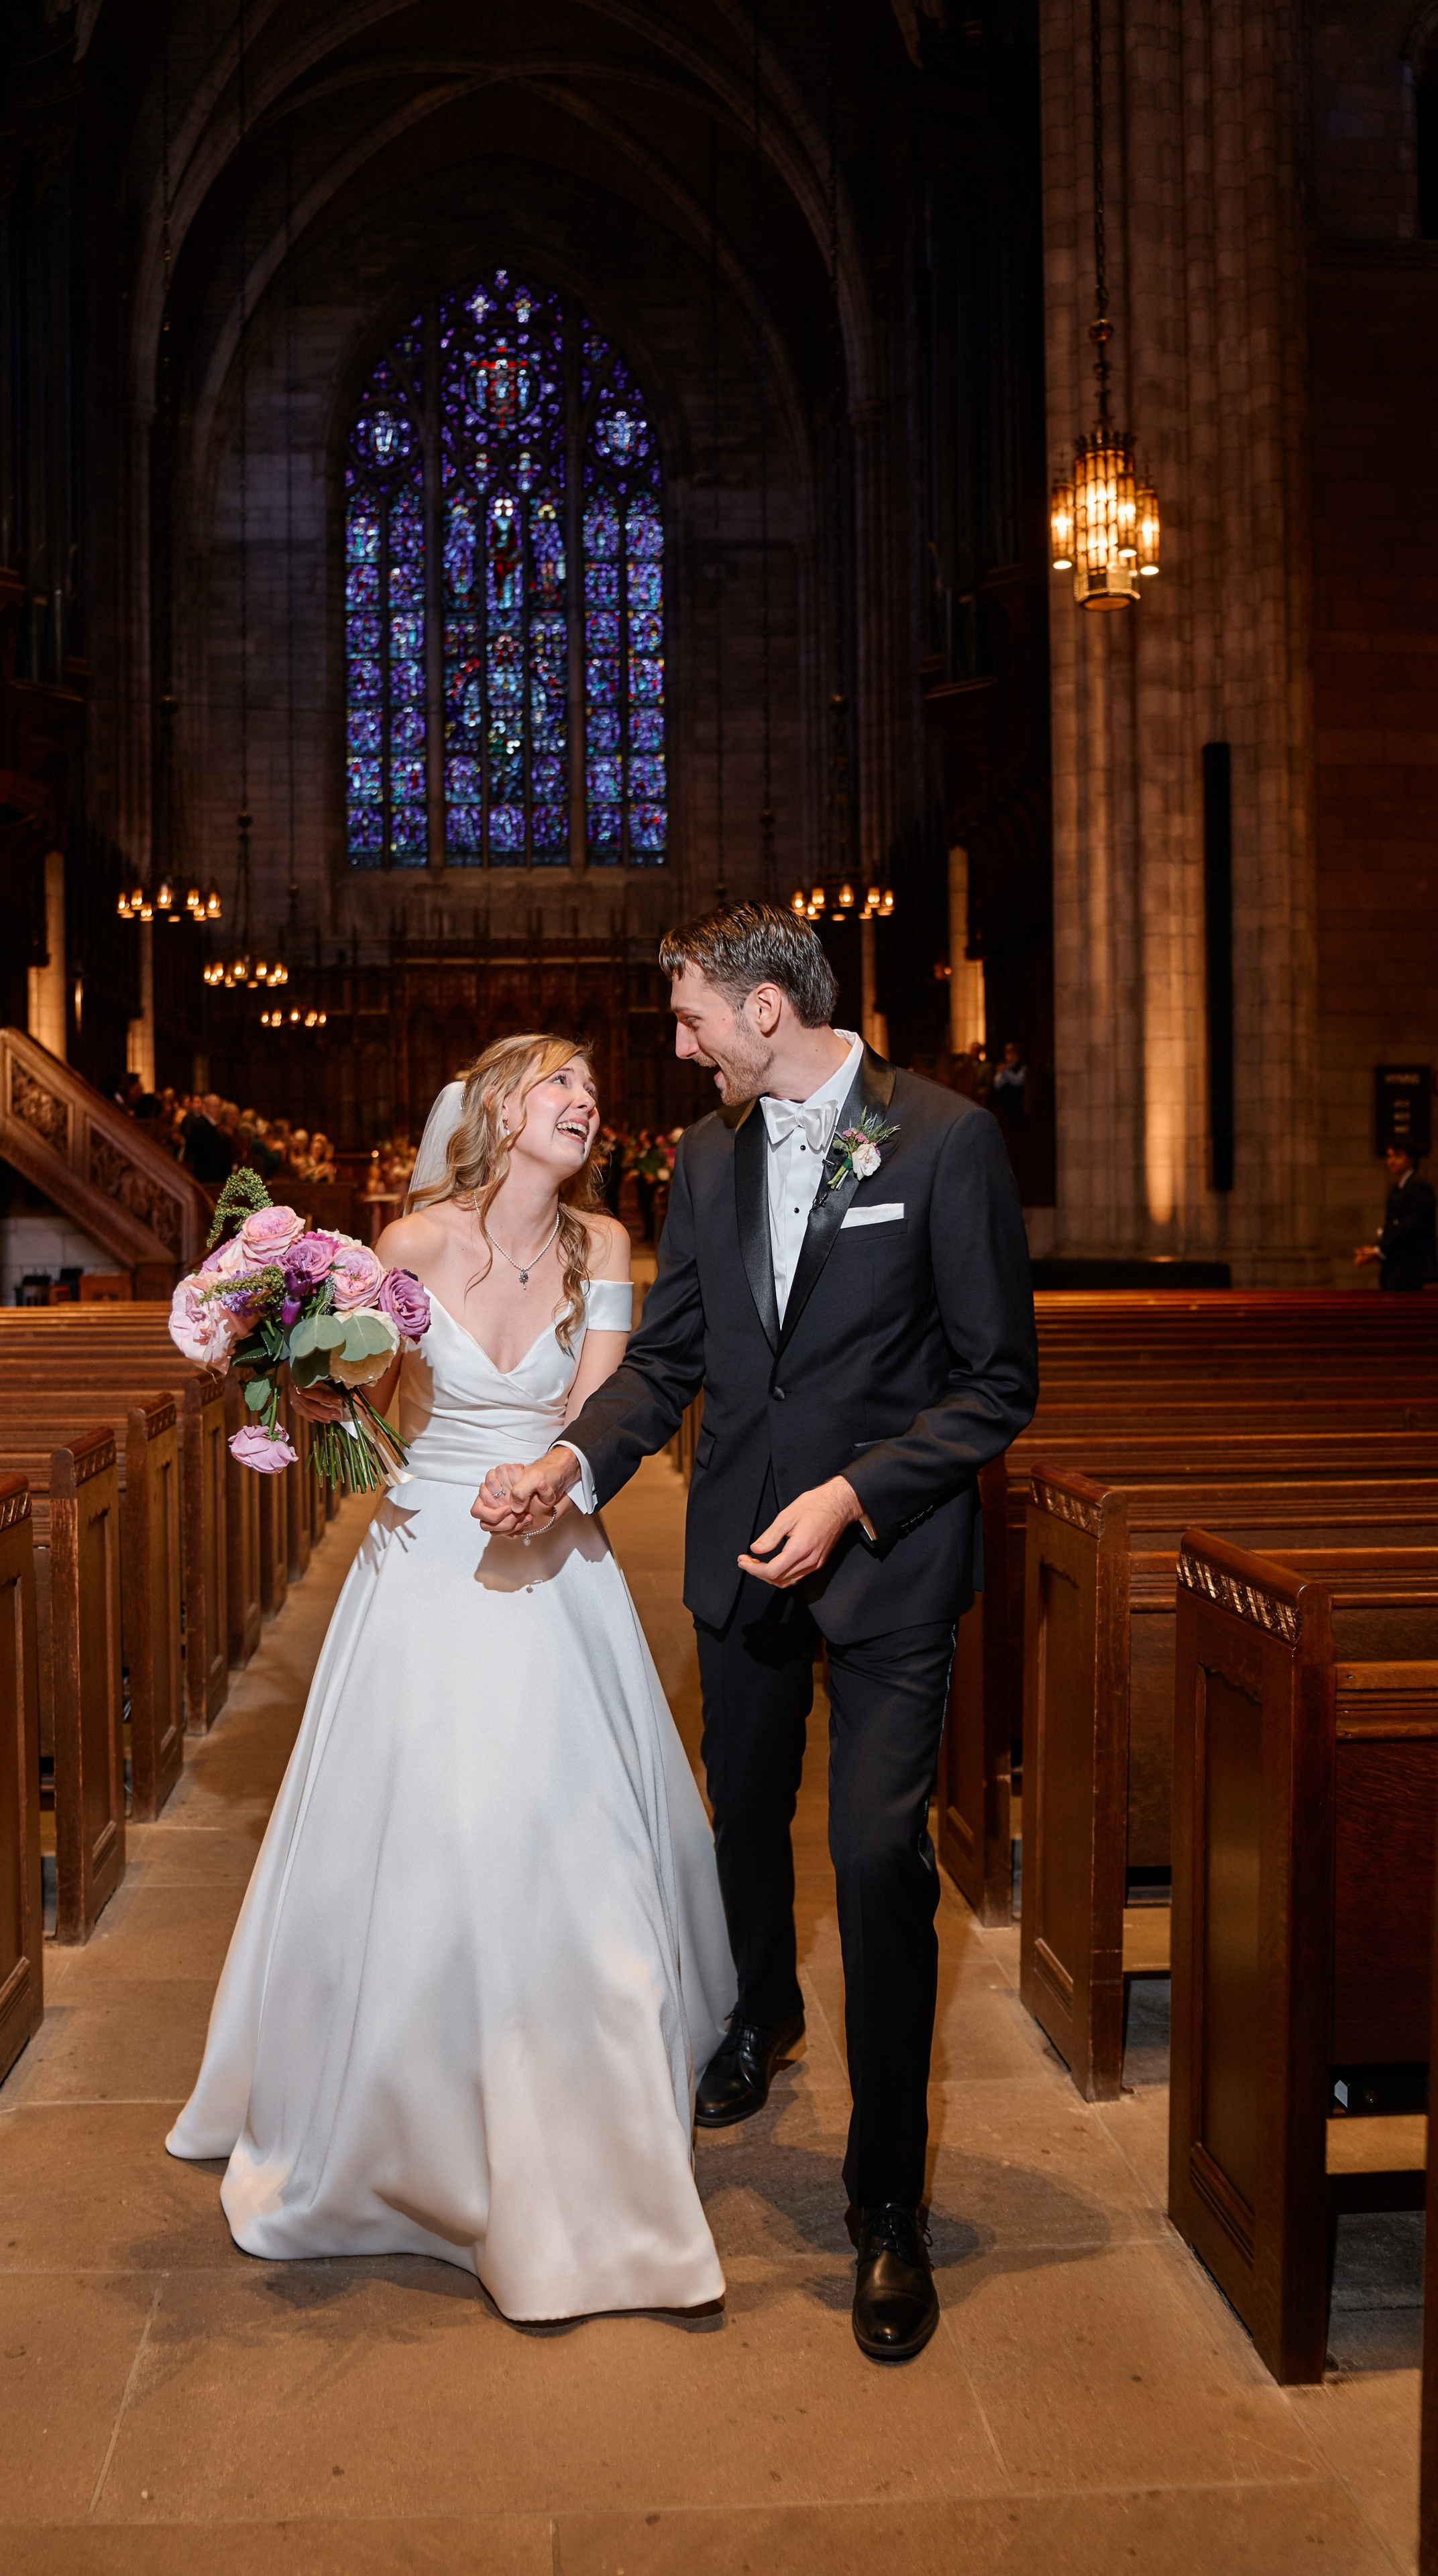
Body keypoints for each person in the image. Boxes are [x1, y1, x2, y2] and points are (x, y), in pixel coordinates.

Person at [477, 902, 1037, 2363]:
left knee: (870, 1858)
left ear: (767, 1012)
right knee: (738, 1816)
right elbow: (666, 1360)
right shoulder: (708, 1155)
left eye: (689, 1020)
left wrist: (856, 1494)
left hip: (887, 1564)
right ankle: (761, 2013)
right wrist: (570, 1465)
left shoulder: (941, 1142)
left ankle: (886, 2208)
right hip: (737, 1553)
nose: (675, 1047)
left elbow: (993, 1385)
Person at [167, 1034, 734, 2323]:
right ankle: (394, 2118)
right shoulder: (409, 1243)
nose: (586, 1103)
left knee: (567, 1839)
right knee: (423, 1842)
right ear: (496, 1110)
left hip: (550, 1551)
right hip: (423, 1557)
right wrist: (302, 1380)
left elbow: (598, 1413)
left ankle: (588, 2124)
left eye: (595, 1088)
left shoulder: (603, 1250)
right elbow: (344, 1389)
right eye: (560, 1086)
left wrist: (545, 1484)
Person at [1354, 1143, 1438, 1290]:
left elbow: (1409, 1227)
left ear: (1411, 1159)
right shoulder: (1397, 1189)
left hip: (1411, 1268)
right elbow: (1391, 1226)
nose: (1391, 1161)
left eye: (1397, 1156)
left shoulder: (1419, 1187)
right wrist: (1375, 1249)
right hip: (1396, 1267)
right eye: (1389, 1156)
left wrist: (1378, 1251)